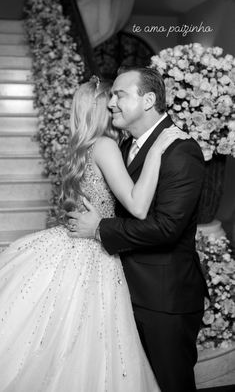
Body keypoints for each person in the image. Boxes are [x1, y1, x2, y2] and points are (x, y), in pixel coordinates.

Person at [0, 76, 188, 392]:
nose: (116, 106)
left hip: (67, 242)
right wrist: (156, 153)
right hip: (94, 249)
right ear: (102, 109)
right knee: (92, 343)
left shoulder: (77, 148)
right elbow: (139, 207)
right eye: (111, 101)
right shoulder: (105, 145)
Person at [67, 67, 209, 392]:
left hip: (163, 300)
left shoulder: (180, 149)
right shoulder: (125, 144)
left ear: (148, 100)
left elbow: (166, 228)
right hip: (123, 289)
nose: (111, 102)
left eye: (119, 94)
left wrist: (100, 228)